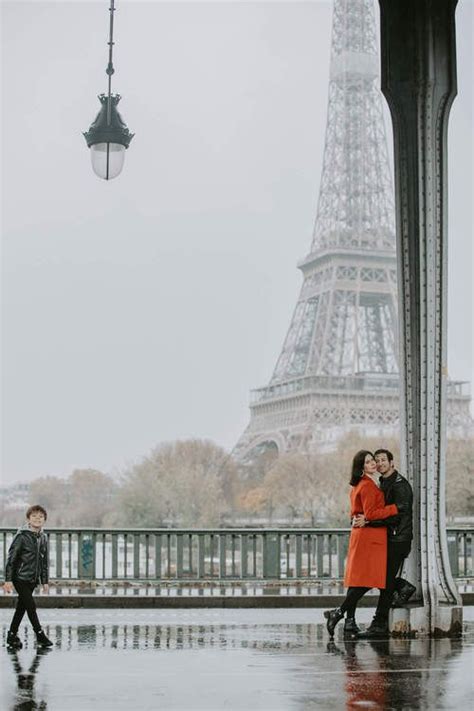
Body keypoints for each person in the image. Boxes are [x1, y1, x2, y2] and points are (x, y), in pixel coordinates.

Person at [324, 450, 400, 639]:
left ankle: (349, 621)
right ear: (361, 467)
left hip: (362, 536)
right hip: (370, 538)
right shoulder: (368, 486)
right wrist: (394, 508)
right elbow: (372, 514)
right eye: (368, 462)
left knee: (359, 579)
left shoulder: (359, 485)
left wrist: (361, 518)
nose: (373, 463)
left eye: (373, 460)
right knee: (369, 580)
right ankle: (339, 613)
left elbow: (356, 513)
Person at [354, 448, 415, 638]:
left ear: (392, 463)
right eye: (376, 460)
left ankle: (379, 624)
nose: (379, 463)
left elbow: (397, 516)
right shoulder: (384, 482)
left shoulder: (400, 485)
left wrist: (369, 520)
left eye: (383, 460)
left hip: (398, 539)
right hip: (391, 538)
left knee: (385, 581)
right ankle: (404, 586)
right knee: (384, 579)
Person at [4, 505, 53, 649]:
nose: (37, 519)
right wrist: (7, 580)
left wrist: (45, 581)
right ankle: (40, 635)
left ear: (44, 520)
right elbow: (11, 559)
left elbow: (44, 561)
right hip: (19, 578)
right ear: (28, 519)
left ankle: (12, 635)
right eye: (34, 516)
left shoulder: (43, 537)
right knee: (31, 606)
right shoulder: (21, 536)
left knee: (21, 608)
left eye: (41, 517)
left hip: (32, 579)